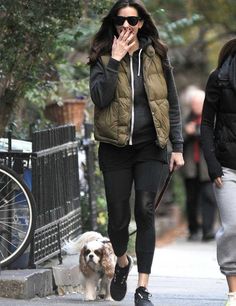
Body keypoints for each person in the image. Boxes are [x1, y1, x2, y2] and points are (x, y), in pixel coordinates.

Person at [89, 1, 184, 305]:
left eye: (133, 19)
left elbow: (170, 102)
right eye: (121, 20)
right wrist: (115, 60)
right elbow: (100, 97)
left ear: (142, 22)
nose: (126, 25)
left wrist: (177, 146)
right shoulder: (102, 56)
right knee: (118, 218)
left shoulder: (157, 55)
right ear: (114, 23)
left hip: (150, 147)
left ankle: (142, 288)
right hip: (114, 149)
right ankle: (122, 262)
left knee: (145, 210)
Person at [201, 38, 236, 306]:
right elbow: (206, 123)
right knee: (232, 227)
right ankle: (233, 292)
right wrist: (211, 163)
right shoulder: (219, 78)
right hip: (226, 167)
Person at [182, 87, 217, 241]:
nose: (195, 106)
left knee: (209, 198)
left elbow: (211, 136)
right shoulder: (186, 118)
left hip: (206, 167)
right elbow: (179, 138)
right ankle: (193, 229)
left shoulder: (211, 118)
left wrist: (195, 131)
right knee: (191, 200)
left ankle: (208, 230)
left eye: (198, 103)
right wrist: (187, 132)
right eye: (193, 104)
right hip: (190, 167)